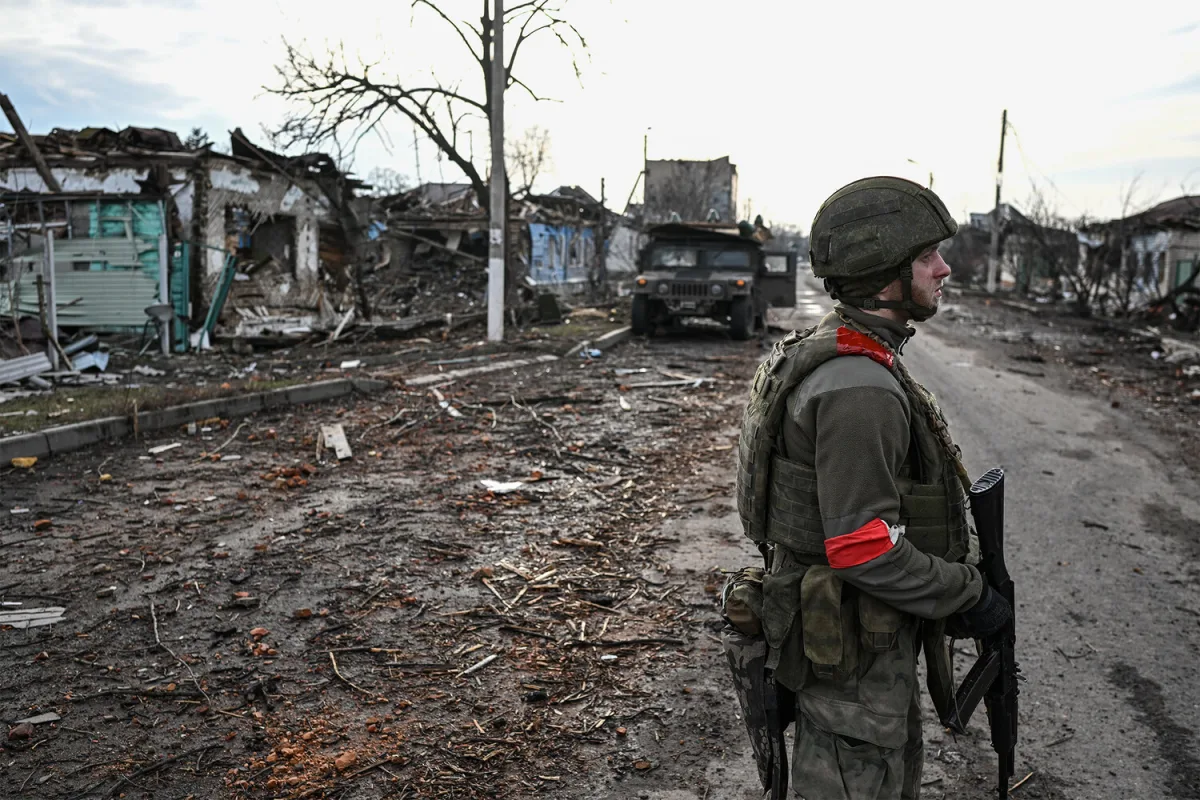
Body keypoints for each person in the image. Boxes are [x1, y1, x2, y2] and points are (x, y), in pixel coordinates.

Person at [733, 176, 1012, 799]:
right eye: (927, 256)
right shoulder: (860, 389)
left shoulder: (852, 355)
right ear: (884, 276)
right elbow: (862, 549)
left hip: (851, 645)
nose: (943, 269)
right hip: (851, 661)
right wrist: (968, 592)